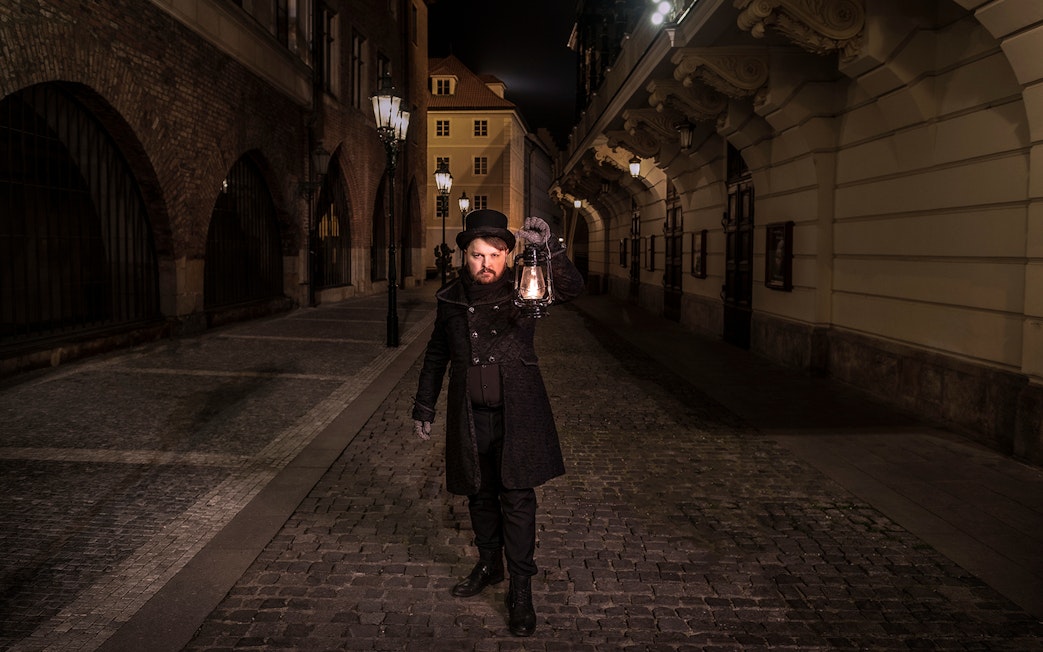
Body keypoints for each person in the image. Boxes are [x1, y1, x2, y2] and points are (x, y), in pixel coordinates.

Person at [411, 209, 584, 637]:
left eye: (494, 254)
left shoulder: (526, 289)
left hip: (518, 414)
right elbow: (436, 355)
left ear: (507, 255)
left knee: (517, 498)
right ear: (464, 256)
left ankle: (521, 589)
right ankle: (490, 564)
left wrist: (549, 248)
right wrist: (424, 407)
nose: (485, 263)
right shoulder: (450, 298)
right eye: (476, 255)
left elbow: (571, 289)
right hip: (471, 415)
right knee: (479, 493)